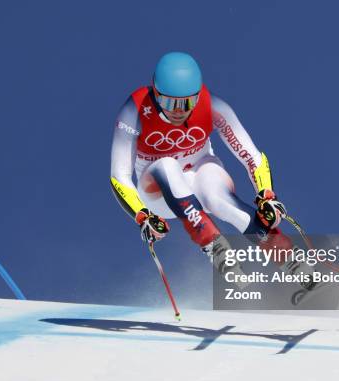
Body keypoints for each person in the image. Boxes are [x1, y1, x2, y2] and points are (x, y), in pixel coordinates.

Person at [109, 51, 290, 271]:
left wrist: (266, 195)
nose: (179, 112)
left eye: (187, 103)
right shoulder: (135, 110)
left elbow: (250, 155)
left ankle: (293, 261)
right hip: (159, 193)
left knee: (218, 199)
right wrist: (142, 215)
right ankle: (216, 247)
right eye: (169, 102)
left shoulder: (210, 105)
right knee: (166, 165)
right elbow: (120, 175)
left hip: (200, 172)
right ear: (156, 95)